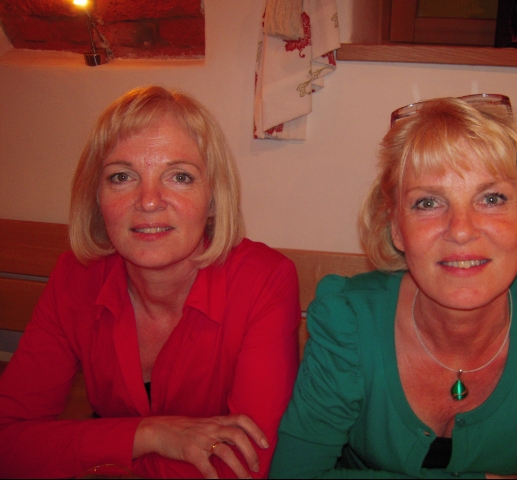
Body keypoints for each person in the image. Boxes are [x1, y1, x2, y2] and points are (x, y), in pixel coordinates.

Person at [270, 95, 517, 478]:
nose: (461, 230)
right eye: (428, 203)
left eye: (491, 198)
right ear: (396, 228)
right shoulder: (347, 323)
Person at [0, 86, 301, 479]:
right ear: (96, 197)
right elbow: (8, 440)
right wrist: (149, 435)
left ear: (213, 200)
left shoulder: (264, 282)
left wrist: (99, 453)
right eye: (122, 176)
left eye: (179, 176)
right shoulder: (76, 277)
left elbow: (244, 466)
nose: (148, 200)